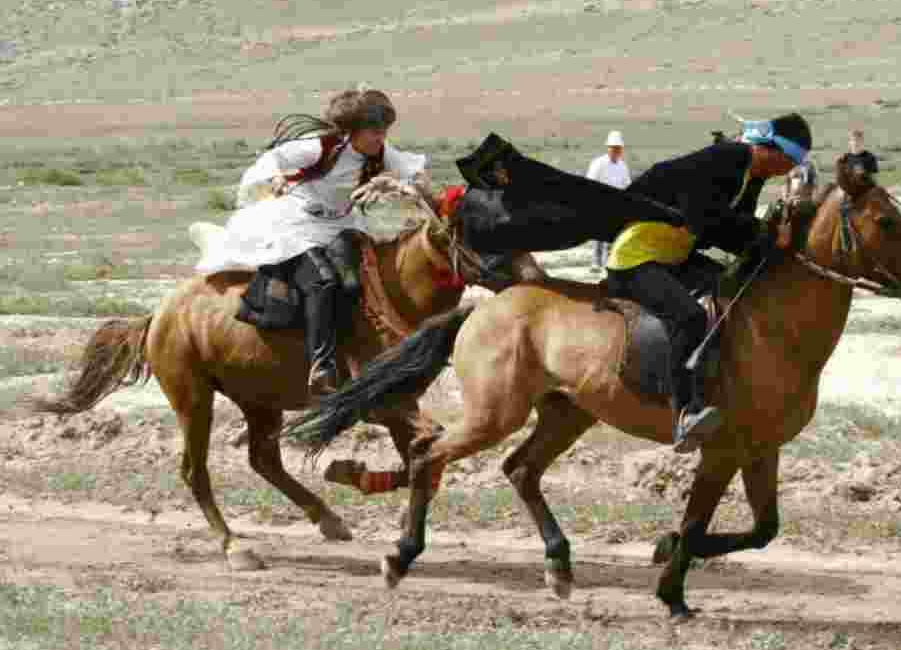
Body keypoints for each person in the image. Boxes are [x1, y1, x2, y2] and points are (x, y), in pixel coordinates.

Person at [454, 113, 811, 453]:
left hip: (670, 254)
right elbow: (708, 221)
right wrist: (764, 235)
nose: (786, 170)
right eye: (787, 161)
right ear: (771, 148)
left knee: (728, 291)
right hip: (637, 260)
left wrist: (767, 240)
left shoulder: (751, 174)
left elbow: (733, 232)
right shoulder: (728, 158)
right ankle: (685, 411)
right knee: (689, 317)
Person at [195, 88, 429, 397]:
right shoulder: (320, 147)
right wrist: (277, 178)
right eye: (375, 131)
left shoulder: (381, 152)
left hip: (341, 224)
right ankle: (321, 367)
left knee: (359, 280)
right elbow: (272, 159)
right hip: (296, 223)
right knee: (323, 280)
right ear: (352, 131)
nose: (381, 138)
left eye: (385, 131)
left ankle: (362, 353)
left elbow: (416, 173)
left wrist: (400, 184)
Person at [585, 131, 631, 272]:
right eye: (613, 148)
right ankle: (596, 263)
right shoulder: (598, 163)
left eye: (618, 148)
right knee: (599, 235)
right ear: (608, 148)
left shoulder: (622, 166)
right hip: (600, 203)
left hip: (616, 205)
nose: (616, 151)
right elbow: (590, 182)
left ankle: (608, 263)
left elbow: (627, 185)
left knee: (611, 236)